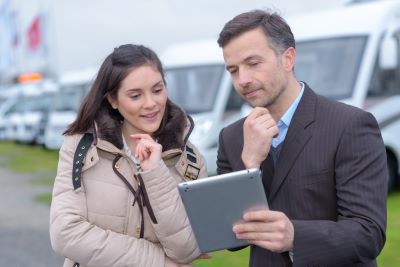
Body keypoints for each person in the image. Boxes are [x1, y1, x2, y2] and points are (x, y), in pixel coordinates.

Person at [216, 10, 387, 267]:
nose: (243, 80)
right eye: (233, 70)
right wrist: (249, 163)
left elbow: (368, 233)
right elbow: (231, 237)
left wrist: (295, 236)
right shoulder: (231, 138)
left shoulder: (349, 124)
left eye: (253, 63)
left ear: (288, 58)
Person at [50, 44, 209, 267]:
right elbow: (65, 233)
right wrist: (157, 261)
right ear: (113, 100)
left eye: (157, 90)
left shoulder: (189, 158)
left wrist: (156, 173)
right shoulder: (80, 148)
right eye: (135, 95)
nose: (151, 103)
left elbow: (187, 249)